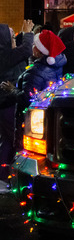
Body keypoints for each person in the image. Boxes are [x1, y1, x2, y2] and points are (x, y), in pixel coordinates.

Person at [0, 29, 66, 152]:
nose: (32, 47)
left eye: (35, 45)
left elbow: (27, 98)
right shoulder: (55, 65)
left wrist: (12, 90)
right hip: (44, 120)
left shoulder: (35, 72)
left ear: (39, 51)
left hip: (29, 121)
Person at [0, 20, 34, 181]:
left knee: (7, 141)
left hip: (4, 103)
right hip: (7, 104)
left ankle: (3, 174)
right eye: (11, 37)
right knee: (13, 140)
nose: (14, 39)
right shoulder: (5, 55)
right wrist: (28, 32)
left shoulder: (6, 55)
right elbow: (26, 49)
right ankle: (8, 176)